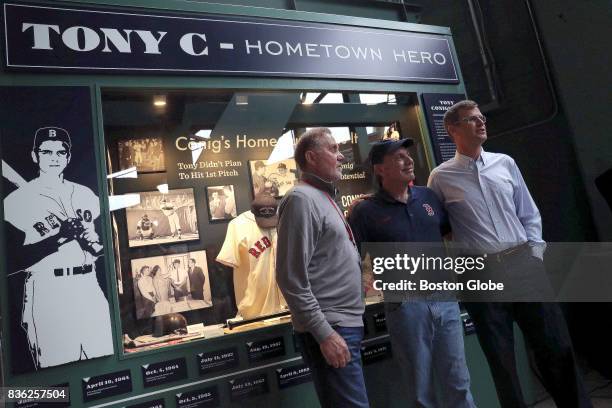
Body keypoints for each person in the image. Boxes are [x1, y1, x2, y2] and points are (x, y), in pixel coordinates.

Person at [427, 100, 591, 408]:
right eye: (472, 120)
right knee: (502, 364)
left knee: (556, 347)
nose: (481, 123)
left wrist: (535, 253)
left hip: (523, 266)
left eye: (481, 117)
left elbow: (528, 213)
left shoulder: (505, 163)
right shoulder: (440, 177)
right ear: (452, 130)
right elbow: (440, 229)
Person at [348, 138, 476, 408]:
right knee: (421, 392)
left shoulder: (428, 196)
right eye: (398, 158)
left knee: (459, 383)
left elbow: (446, 234)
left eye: (408, 155)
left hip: (445, 299)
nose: (408, 161)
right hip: (406, 305)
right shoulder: (364, 211)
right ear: (380, 169)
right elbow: (351, 260)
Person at [3, 126, 113, 369]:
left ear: (68, 157)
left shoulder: (86, 194)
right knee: (60, 369)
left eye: (60, 152)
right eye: (47, 152)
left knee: (105, 361)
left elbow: (105, 247)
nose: (54, 158)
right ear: (35, 156)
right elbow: (10, 263)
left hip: (89, 285)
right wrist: (60, 238)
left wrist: (94, 245)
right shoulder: (16, 202)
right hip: (49, 290)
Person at [276, 127, 369, 408]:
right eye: (333, 149)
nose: (341, 157)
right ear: (311, 157)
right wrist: (325, 333)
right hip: (332, 327)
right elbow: (290, 278)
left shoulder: (324, 197)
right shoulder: (300, 200)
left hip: (345, 324)